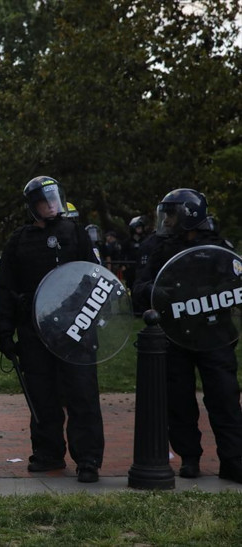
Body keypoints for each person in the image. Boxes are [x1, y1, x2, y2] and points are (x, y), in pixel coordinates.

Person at [0, 176, 104, 483]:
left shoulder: (76, 234)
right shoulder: (19, 240)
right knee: (42, 395)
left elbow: (95, 276)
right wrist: (4, 330)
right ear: (33, 206)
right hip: (35, 330)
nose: (52, 204)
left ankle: (88, 459)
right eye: (45, 200)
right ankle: (48, 453)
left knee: (82, 393)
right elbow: (5, 287)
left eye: (54, 198)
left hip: (75, 328)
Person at [133, 188, 242, 483]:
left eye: (171, 214)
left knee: (225, 399)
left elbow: (236, 288)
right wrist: (157, 293)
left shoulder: (220, 249)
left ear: (188, 215)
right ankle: (189, 459)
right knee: (179, 402)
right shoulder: (161, 249)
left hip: (215, 337)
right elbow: (139, 289)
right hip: (176, 337)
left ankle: (232, 461)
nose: (166, 220)